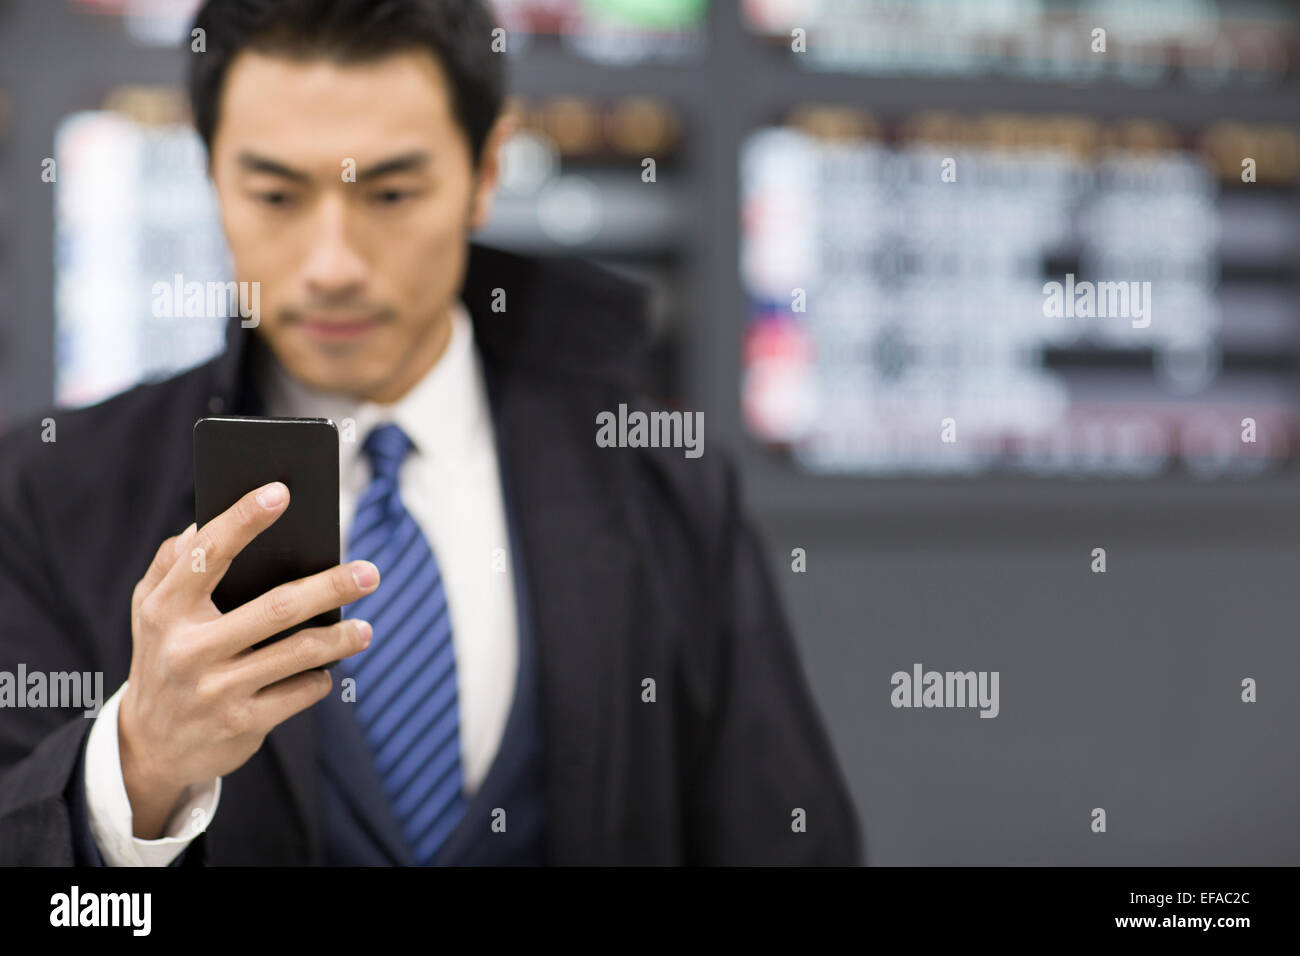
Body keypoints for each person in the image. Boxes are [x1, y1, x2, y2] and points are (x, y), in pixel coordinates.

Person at [0, 0, 861, 865]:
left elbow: (787, 835)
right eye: (274, 193)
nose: (331, 264)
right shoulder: (51, 495)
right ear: (210, 172)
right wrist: (134, 769)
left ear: (487, 169)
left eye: (390, 193)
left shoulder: (657, 479)